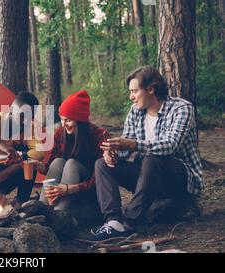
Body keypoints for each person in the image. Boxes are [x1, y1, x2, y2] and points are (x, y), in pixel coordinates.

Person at [88, 66, 203, 241]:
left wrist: (133, 144)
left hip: (179, 180)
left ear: (151, 89)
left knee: (152, 158)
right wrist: (114, 154)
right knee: (101, 164)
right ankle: (113, 223)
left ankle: (129, 223)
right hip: (148, 178)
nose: (131, 97)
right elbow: (127, 148)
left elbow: (170, 146)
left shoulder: (182, 108)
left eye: (134, 91)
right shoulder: (136, 111)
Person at [35, 90, 107, 222]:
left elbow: (100, 177)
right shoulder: (60, 134)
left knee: (71, 163)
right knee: (57, 162)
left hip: (88, 196)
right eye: (62, 119)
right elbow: (52, 167)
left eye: (68, 120)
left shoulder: (98, 136)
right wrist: (39, 166)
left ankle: (58, 216)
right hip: (66, 190)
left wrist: (69, 189)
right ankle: (41, 209)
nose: (63, 124)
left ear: (80, 120)